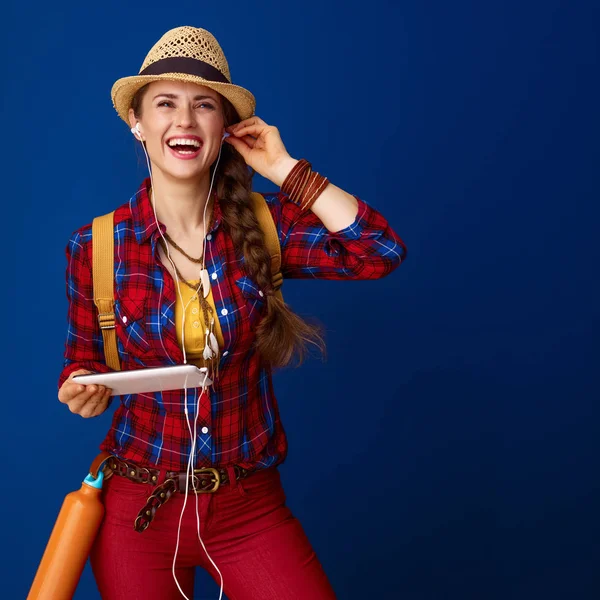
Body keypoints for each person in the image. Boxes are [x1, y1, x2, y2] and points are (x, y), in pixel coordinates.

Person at [57, 26, 407, 600]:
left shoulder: (264, 227)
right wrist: (80, 388)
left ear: (224, 127)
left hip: (249, 507)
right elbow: (80, 363)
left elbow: (379, 251)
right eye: (165, 104)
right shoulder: (94, 248)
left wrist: (285, 168)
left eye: (204, 107)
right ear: (137, 124)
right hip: (137, 509)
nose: (185, 122)